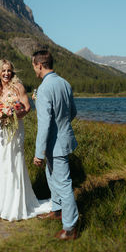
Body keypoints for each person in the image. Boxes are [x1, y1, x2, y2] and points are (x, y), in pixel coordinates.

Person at [0, 59, 51, 221]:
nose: (6, 74)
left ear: (12, 72)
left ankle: (16, 204)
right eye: (3, 71)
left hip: (15, 129)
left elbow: (27, 107)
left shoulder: (18, 86)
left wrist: (13, 114)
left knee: (14, 162)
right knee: (0, 162)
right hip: (1, 130)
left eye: (9, 71)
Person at [32, 50, 79, 240]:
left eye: (34, 66)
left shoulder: (44, 89)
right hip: (64, 139)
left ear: (40, 65)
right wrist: (62, 126)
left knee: (63, 184)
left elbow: (43, 125)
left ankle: (70, 228)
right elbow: (73, 112)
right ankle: (58, 210)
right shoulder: (65, 83)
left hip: (55, 144)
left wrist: (38, 153)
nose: (34, 69)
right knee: (51, 176)